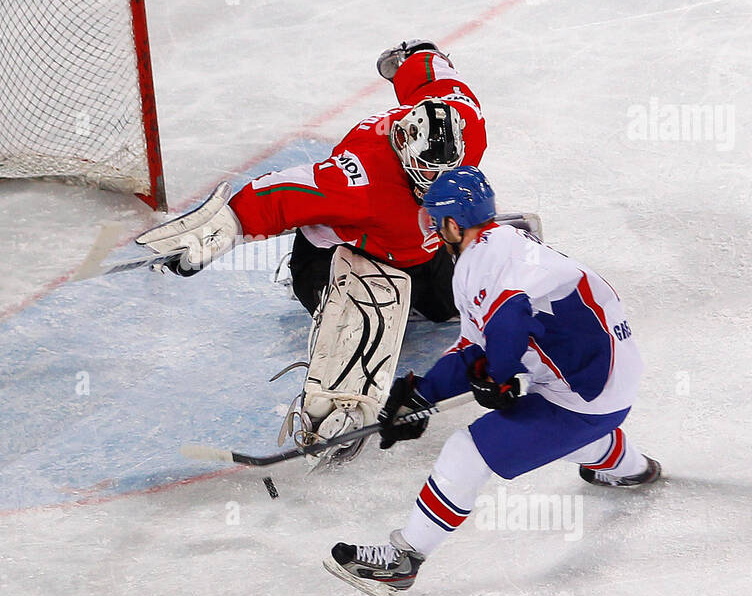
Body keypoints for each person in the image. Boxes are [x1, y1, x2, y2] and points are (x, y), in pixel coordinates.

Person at [134, 41, 488, 464]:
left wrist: (411, 58)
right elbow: (278, 195)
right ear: (405, 148)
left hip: (416, 250)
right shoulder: (358, 178)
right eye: (427, 174)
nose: (436, 184)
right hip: (340, 255)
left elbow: (434, 76)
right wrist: (219, 231)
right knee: (364, 310)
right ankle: (335, 410)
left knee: (452, 305)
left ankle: (479, 247)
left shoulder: (464, 121)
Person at [324, 167, 660, 596]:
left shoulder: (486, 261)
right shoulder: (499, 246)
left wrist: (496, 374)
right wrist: (422, 394)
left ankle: (403, 561)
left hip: (586, 394)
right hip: (606, 379)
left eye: (433, 220)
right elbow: (473, 345)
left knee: (467, 451)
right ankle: (626, 464)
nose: (431, 230)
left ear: (451, 223)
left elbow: (507, 322)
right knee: (550, 429)